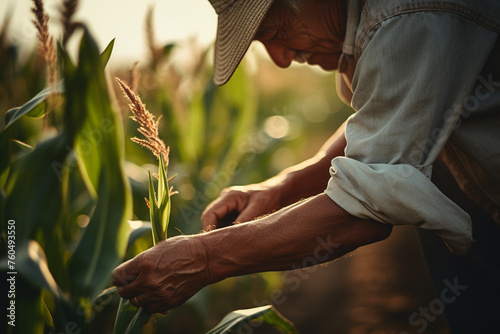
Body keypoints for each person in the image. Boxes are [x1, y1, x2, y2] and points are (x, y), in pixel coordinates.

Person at [113, 0, 500, 331]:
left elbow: (362, 212)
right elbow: (386, 120)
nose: (281, 60)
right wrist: (281, 187)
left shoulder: (405, 19)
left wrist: (204, 258)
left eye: (277, 29)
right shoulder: (375, 22)